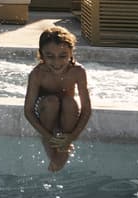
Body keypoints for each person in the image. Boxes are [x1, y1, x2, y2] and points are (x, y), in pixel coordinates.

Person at [24, 26, 91, 172]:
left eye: (63, 56)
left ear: (71, 53)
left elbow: (86, 109)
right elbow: (28, 110)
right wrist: (47, 136)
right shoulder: (37, 74)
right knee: (52, 102)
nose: (57, 62)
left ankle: (63, 146)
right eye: (50, 56)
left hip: (67, 113)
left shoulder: (78, 72)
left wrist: (72, 136)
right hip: (46, 113)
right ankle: (56, 153)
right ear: (41, 54)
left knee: (70, 102)